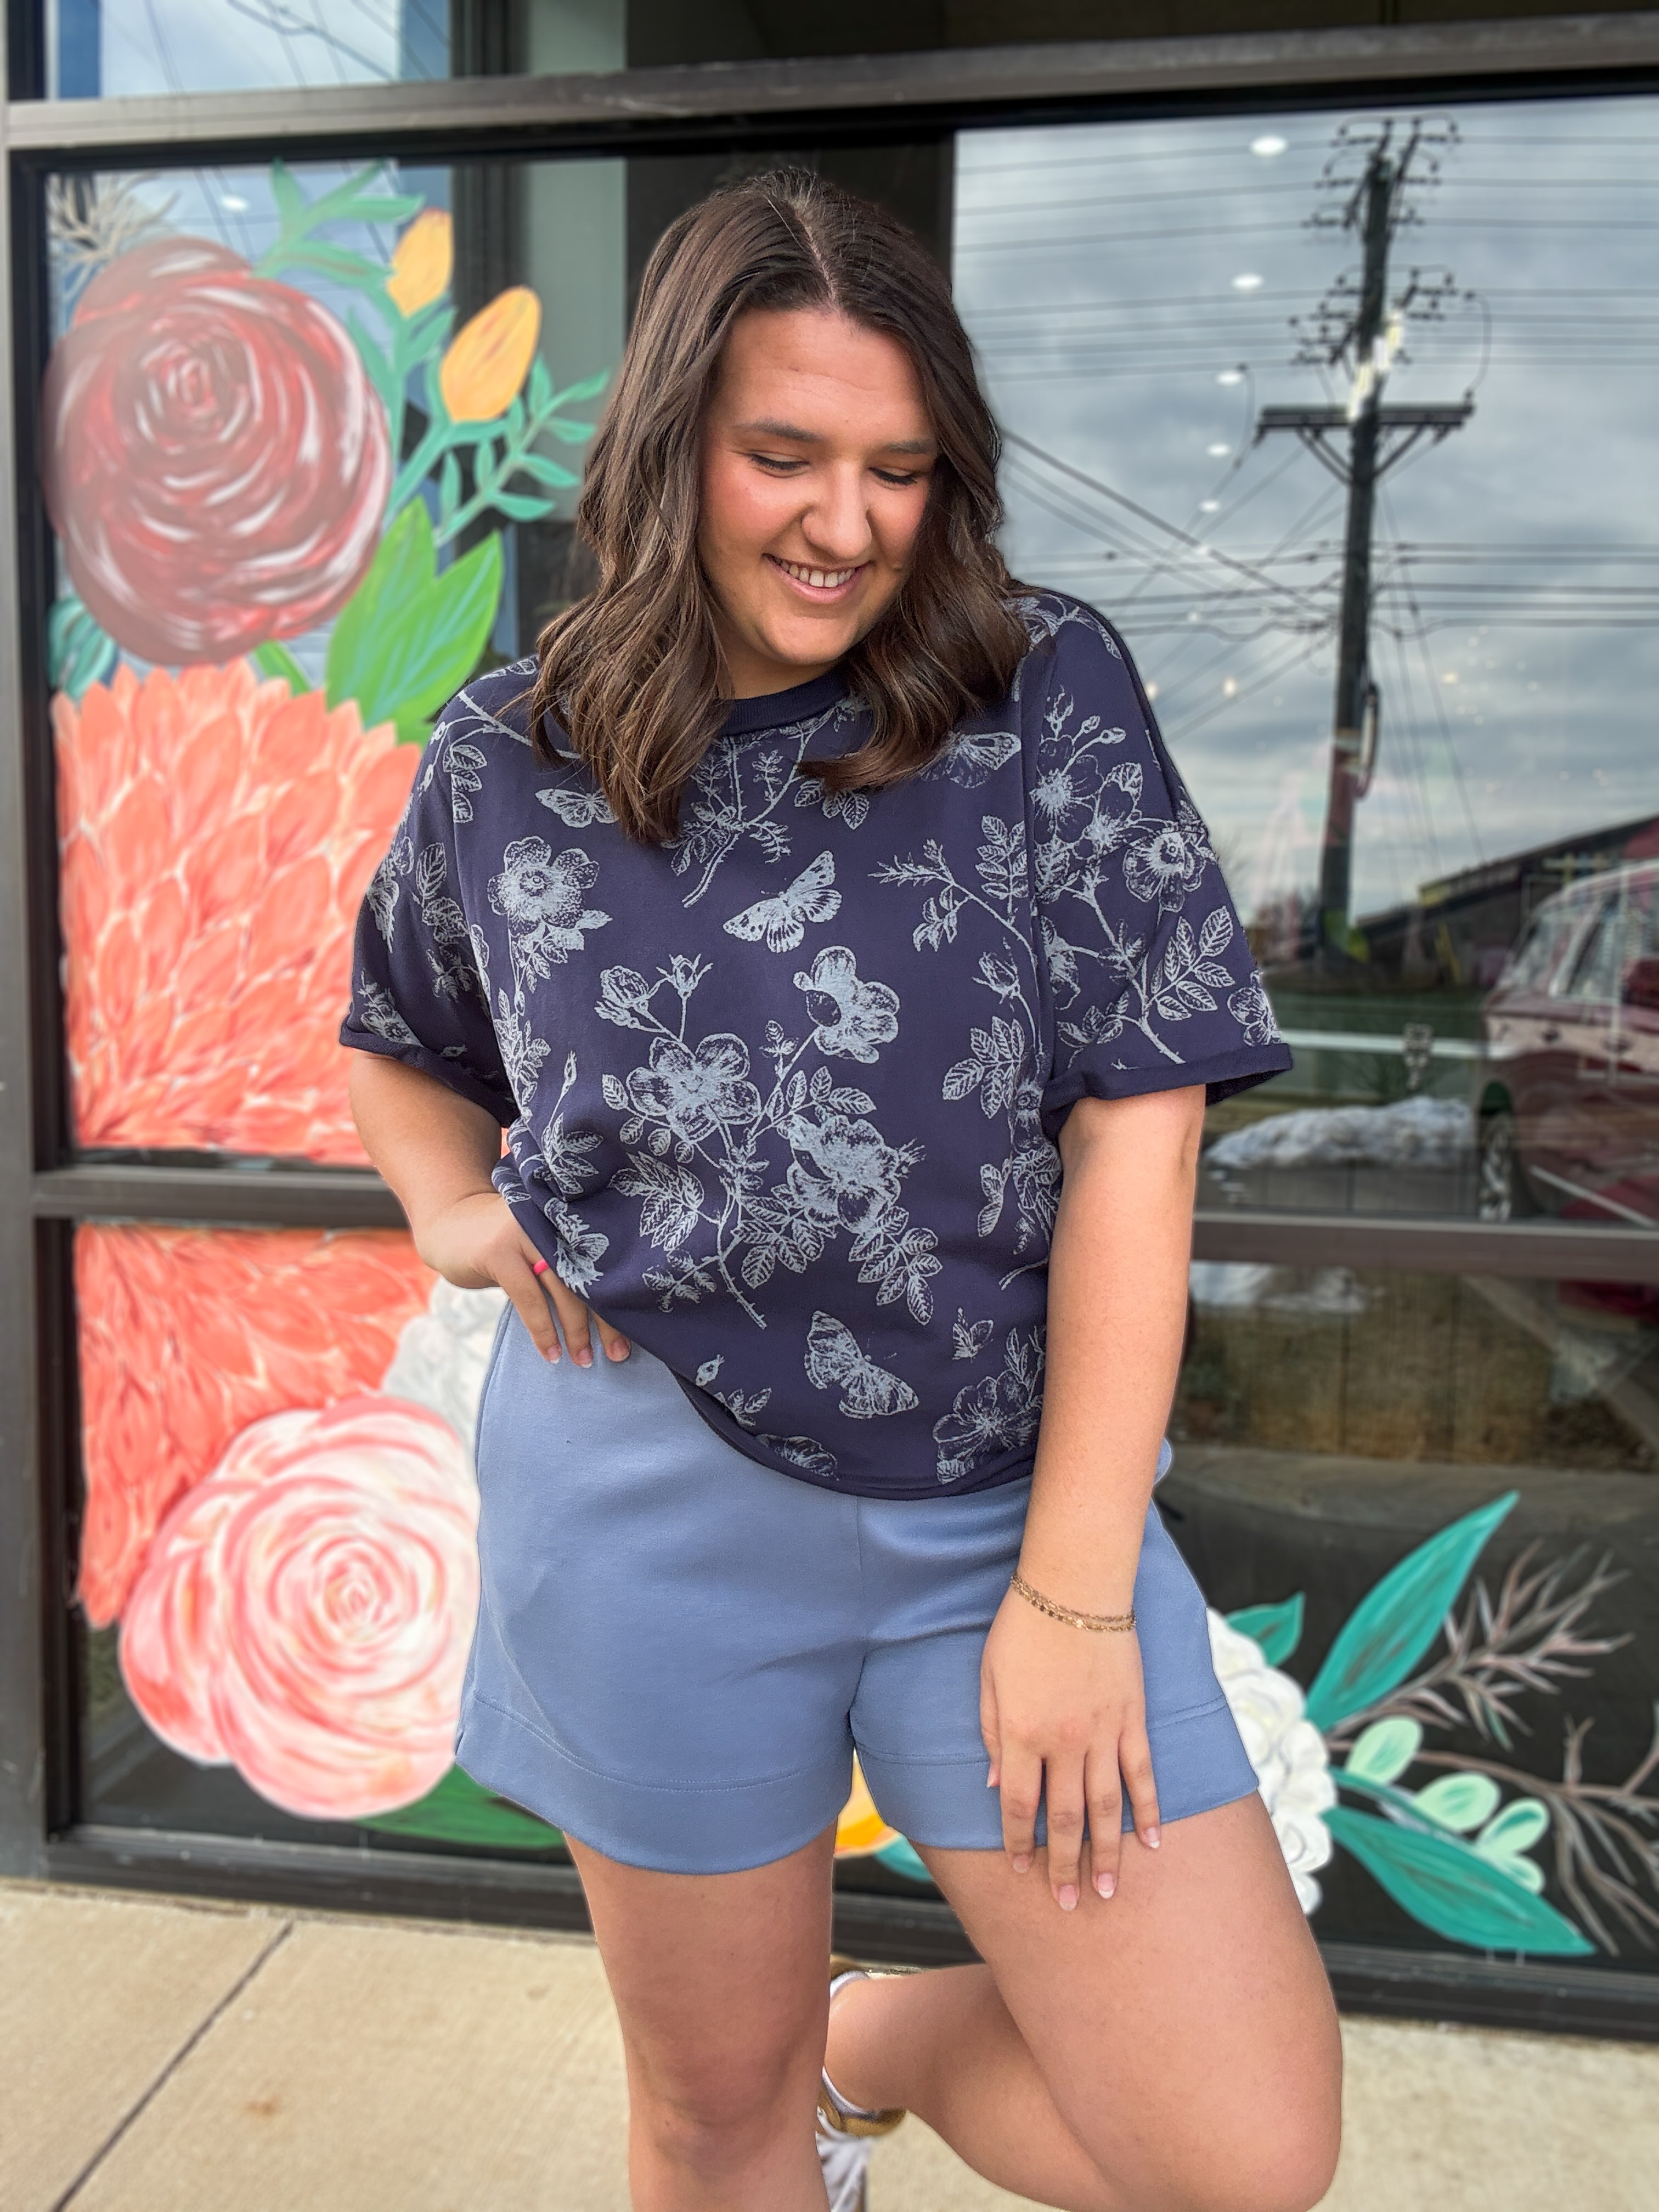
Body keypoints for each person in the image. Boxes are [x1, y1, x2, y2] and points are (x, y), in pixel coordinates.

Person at [342, 167, 1341, 2212]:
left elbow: (1140, 1133)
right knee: (710, 2115)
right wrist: (453, 1218)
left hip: (1004, 1509)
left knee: (1238, 2152)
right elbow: (398, 1035)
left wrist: (1073, 1591)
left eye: (898, 468)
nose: (845, 521)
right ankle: (786, 2082)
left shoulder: (1041, 695)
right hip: (643, 1505)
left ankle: (860, 2039)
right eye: (783, 455)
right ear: (670, 446)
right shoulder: (510, 752)